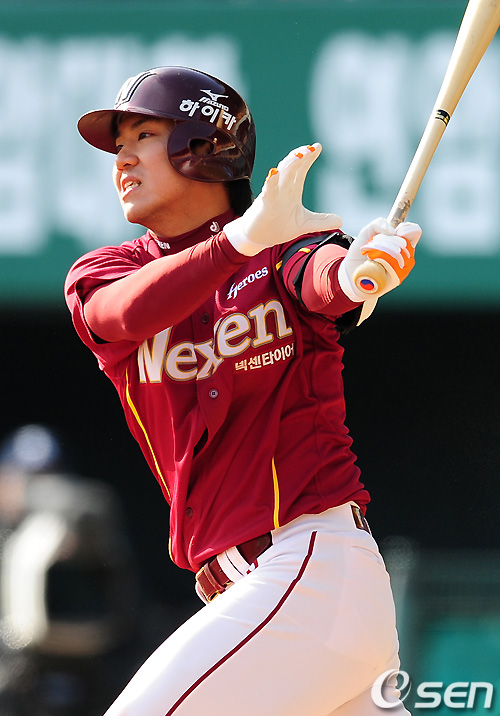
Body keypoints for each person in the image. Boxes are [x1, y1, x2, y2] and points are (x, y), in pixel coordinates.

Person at [65, 66, 420, 716]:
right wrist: (239, 240)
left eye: (143, 136)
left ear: (204, 147)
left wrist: (358, 268)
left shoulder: (282, 249)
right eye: (118, 145)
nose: (122, 160)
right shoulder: (112, 269)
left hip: (309, 569)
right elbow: (121, 313)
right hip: (268, 597)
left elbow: (322, 279)